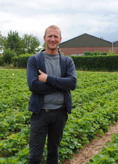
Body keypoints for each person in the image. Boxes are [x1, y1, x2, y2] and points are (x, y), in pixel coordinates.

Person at [26, 25, 77, 164]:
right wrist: (61, 85)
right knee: (35, 155)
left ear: (60, 39)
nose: (52, 39)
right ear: (44, 38)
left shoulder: (67, 61)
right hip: (40, 113)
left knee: (53, 153)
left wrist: (48, 79)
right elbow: (34, 85)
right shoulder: (34, 60)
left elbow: (72, 83)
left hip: (60, 114)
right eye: (50, 36)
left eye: (55, 36)